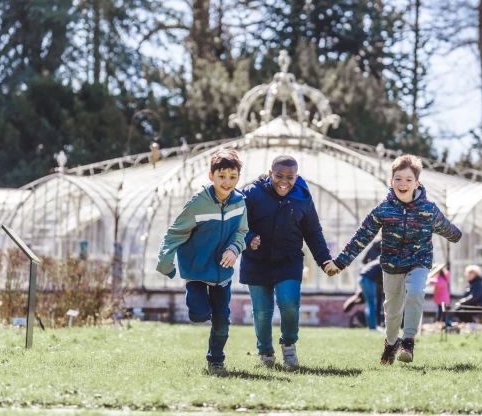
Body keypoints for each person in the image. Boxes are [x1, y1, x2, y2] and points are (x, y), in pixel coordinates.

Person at [325, 154, 462, 365]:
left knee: (416, 292)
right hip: (391, 265)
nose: (403, 184)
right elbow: (362, 236)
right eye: (398, 179)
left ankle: (408, 341)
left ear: (417, 183)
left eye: (408, 179)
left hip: (419, 262)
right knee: (392, 308)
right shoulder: (384, 209)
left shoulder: (428, 210)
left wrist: (456, 234)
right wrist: (340, 262)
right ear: (392, 182)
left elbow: (449, 230)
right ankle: (390, 344)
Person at [156, 149, 248, 374]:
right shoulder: (198, 204)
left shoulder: (240, 203)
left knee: (222, 321)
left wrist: (235, 249)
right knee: (199, 314)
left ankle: (216, 360)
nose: (227, 182)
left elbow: (243, 231)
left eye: (232, 177)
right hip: (196, 271)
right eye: (222, 176)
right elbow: (175, 232)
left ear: (238, 178)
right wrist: (166, 261)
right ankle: (198, 307)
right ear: (211, 176)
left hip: (222, 273)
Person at [240, 155, 335, 368]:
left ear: (297, 176)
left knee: (289, 303)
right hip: (256, 261)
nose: (284, 181)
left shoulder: (303, 197)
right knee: (262, 312)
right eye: (279, 175)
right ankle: (265, 353)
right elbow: (239, 223)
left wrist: (325, 260)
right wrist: (249, 238)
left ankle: (289, 346)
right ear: (270, 173)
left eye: (290, 177)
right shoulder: (252, 194)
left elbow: (313, 232)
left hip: (288, 260)